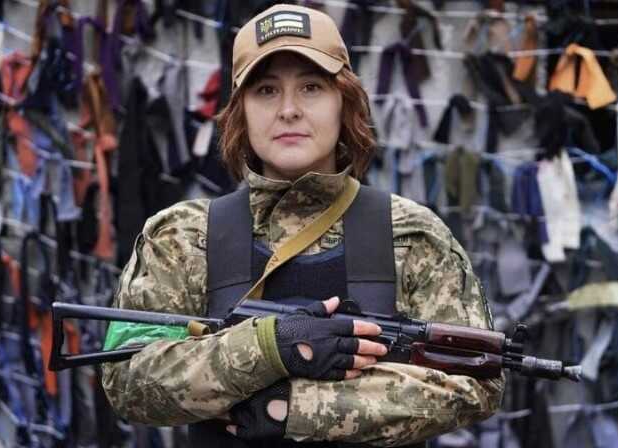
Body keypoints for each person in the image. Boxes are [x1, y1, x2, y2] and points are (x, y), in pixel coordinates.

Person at [102, 4, 504, 446]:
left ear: (344, 101)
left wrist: (294, 408)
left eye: (311, 87)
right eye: (266, 90)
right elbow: (125, 378)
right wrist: (266, 347)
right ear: (240, 111)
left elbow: (477, 380)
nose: (289, 110)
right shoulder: (182, 237)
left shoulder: (412, 235)